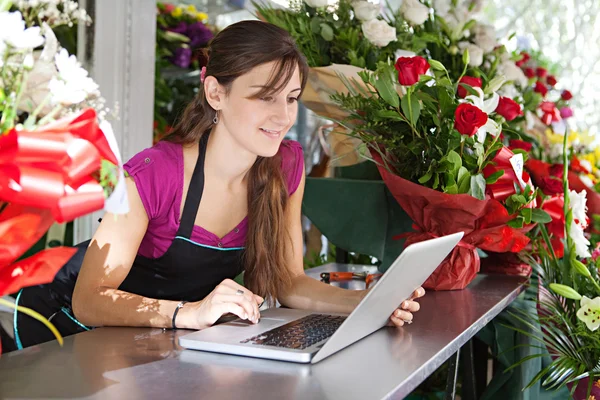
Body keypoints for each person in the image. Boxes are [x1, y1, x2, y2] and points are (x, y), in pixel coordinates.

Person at [8, 21, 424, 348]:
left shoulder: (285, 166)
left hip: (154, 338)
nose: (283, 116)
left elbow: (287, 281)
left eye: (292, 97)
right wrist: (188, 312)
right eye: (265, 96)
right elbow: (90, 298)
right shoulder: (153, 173)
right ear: (215, 93)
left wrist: (372, 304)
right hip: (64, 324)